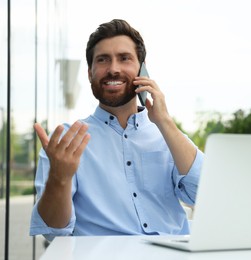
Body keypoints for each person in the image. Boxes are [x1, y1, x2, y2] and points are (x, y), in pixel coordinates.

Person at [30, 19, 204, 240]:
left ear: (142, 69)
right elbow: (52, 233)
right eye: (102, 60)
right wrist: (59, 178)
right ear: (90, 73)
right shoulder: (65, 142)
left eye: (124, 58)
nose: (113, 69)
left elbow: (206, 197)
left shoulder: (168, 136)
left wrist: (165, 122)